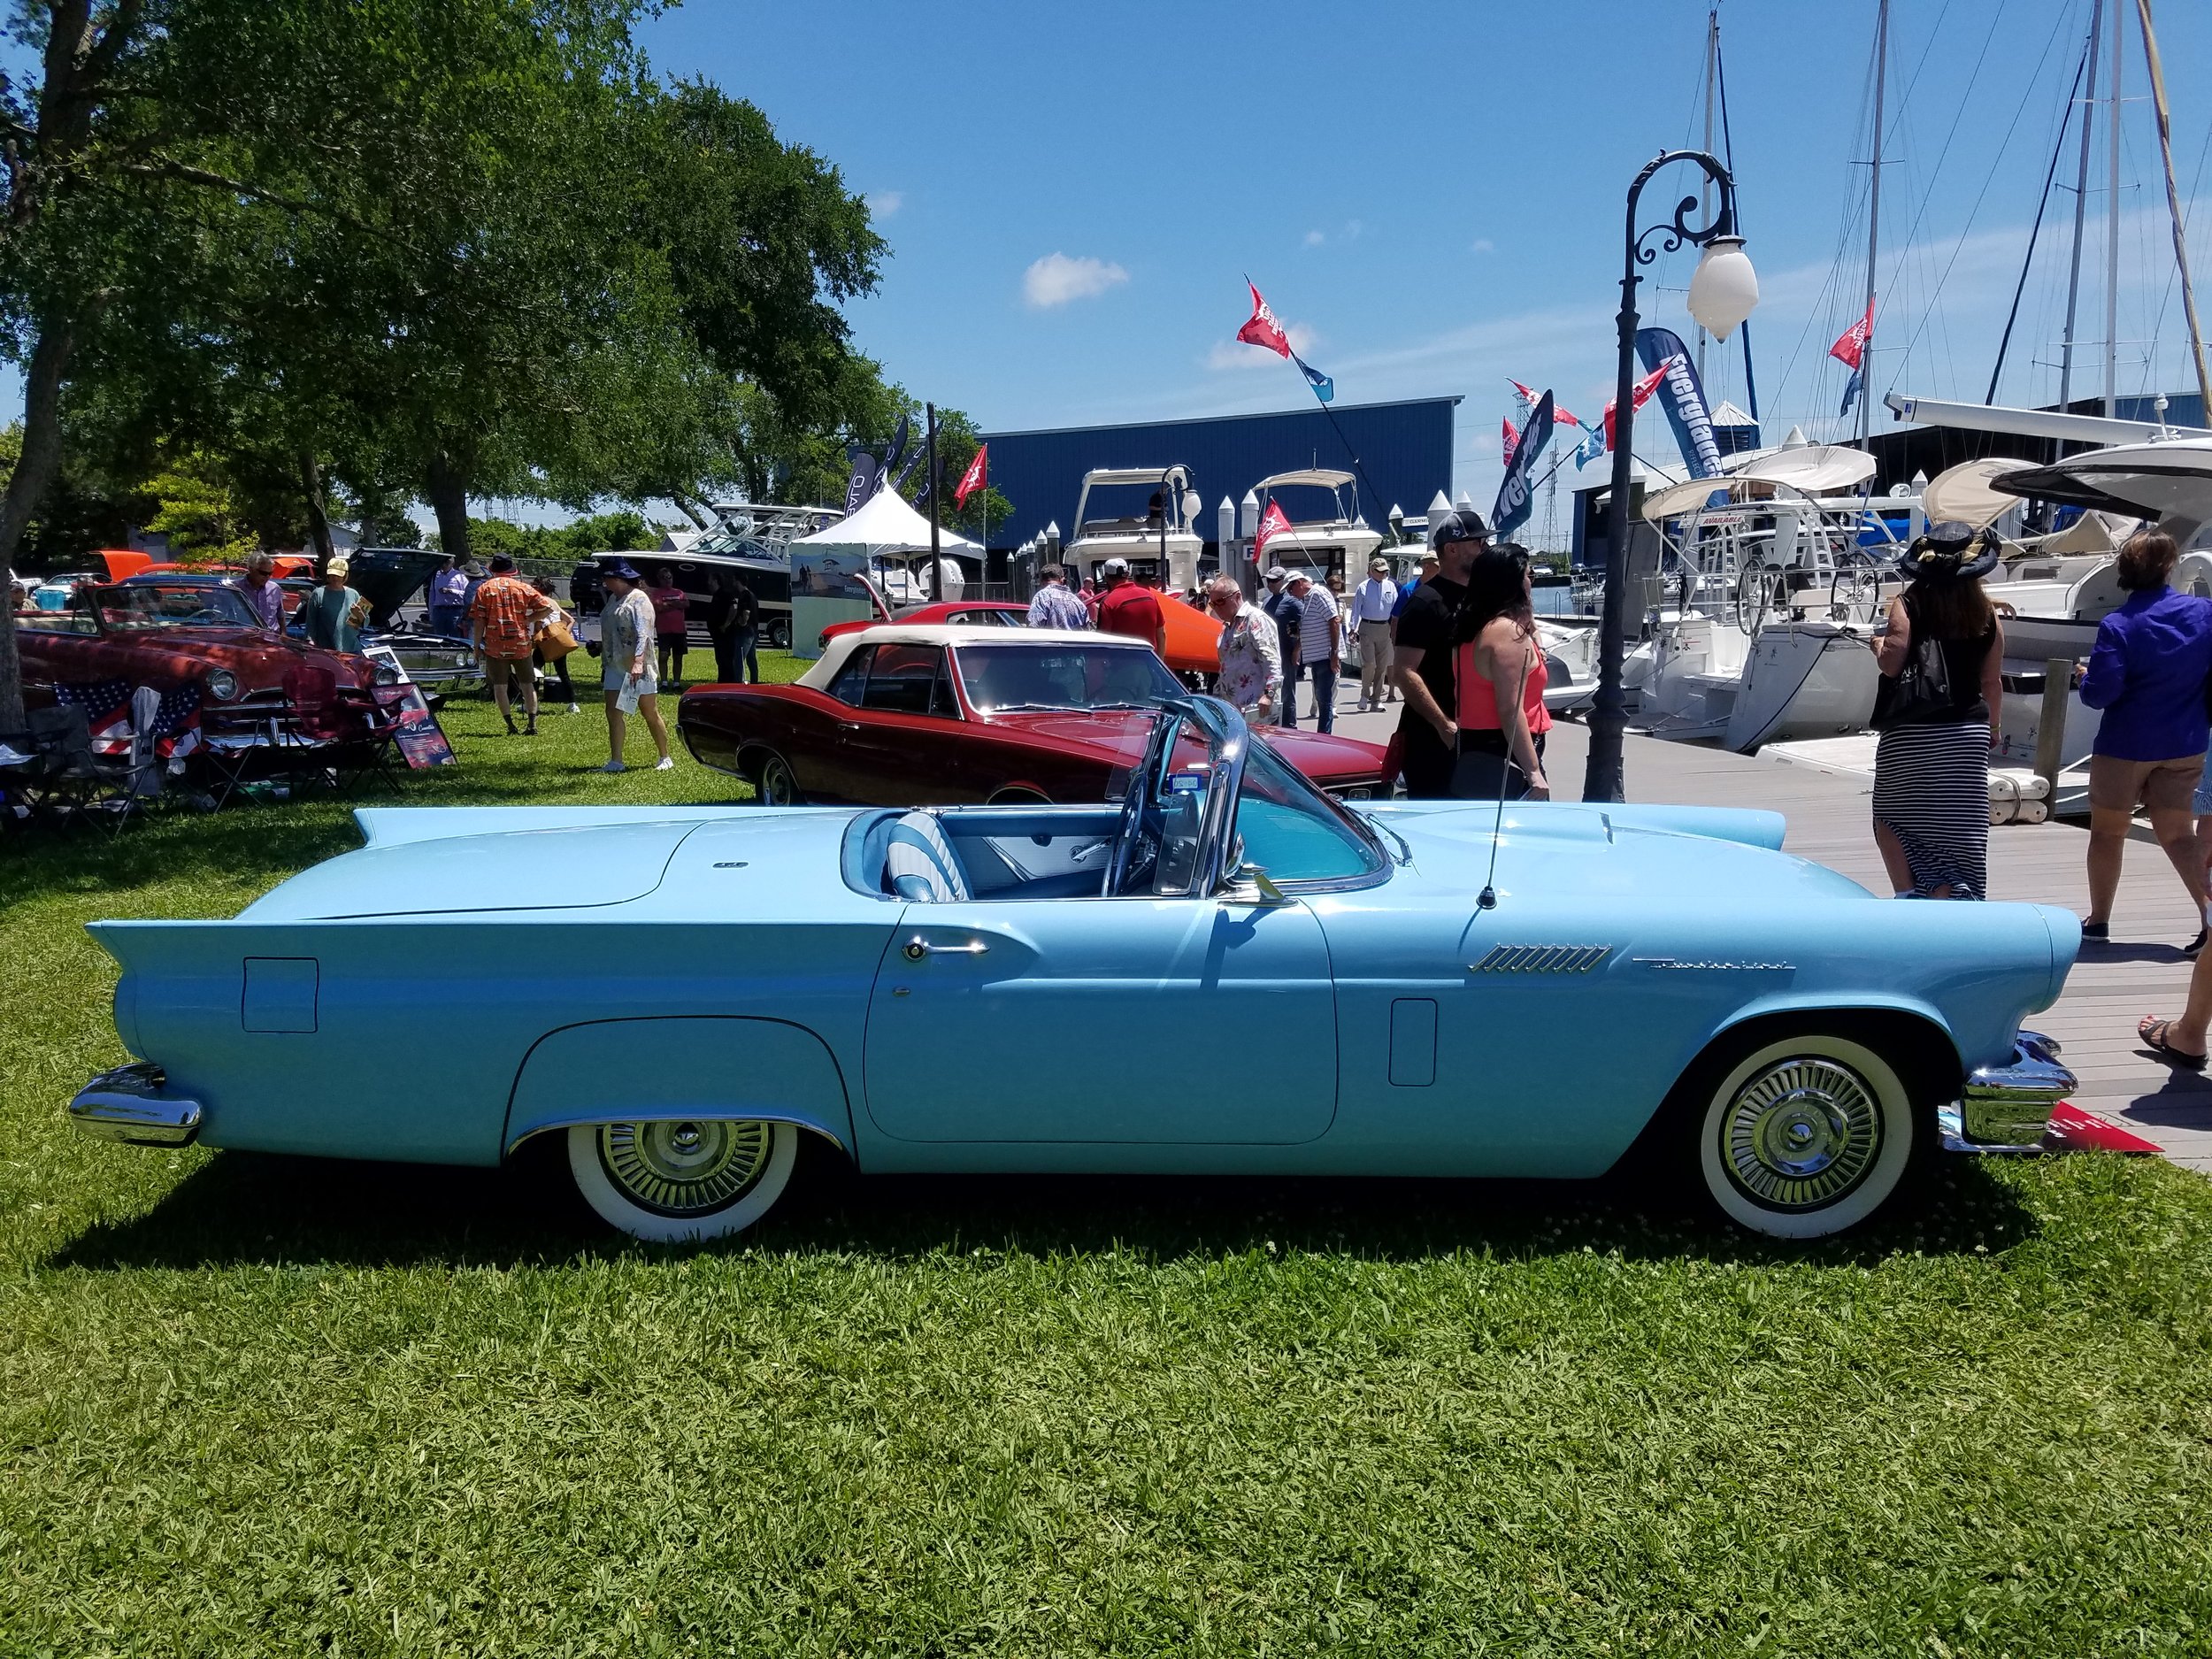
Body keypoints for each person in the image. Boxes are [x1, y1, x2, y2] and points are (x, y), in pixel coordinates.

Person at [2078, 528, 2212, 948]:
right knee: (2178, 836)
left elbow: (2102, 694)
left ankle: (2099, 921)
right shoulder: (2205, 613)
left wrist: (2085, 679)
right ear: (2170, 568)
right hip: (2186, 740)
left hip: (2127, 744)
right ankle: (2211, 923)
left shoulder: (2118, 625)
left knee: (2107, 832)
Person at [1869, 523, 2005, 900]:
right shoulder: (1987, 613)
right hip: (1967, 733)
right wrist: (1993, 728)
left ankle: (1908, 894)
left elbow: (1892, 663)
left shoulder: (1908, 603)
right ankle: (1952, 892)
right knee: (1956, 830)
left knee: (1893, 816)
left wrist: (1878, 643)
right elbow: (1992, 681)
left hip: (1914, 729)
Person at [1391, 511, 1487, 798]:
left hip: (1476, 735)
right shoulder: (1425, 602)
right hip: (1434, 740)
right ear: (1452, 548)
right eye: (1477, 541)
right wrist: (1443, 725)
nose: (1484, 547)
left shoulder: (1481, 597)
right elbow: (1404, 672)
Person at [1450, 545, 1551, 799]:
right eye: (1529, 575)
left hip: (1476, 749)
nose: (1531, 582)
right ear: (1513, 582)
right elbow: (1509, 708)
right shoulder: (1507, 633)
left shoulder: (1471, 630)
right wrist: (1533, 771)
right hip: (1507, 753)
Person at [598, 561, 672, 772]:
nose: (604, 581)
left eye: (607, 577)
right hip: (615, 664)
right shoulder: (613, 599)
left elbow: (644, 633)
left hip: (638, 665)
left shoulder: (640, 599)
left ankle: (664, 756)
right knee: (613, 712)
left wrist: (638, 663)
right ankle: (616, 761)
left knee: (648, 711)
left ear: (618, 579)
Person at [470, 553, 553, 735]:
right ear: (511, 570)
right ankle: (532, 724)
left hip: (494, 645)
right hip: (520, 643)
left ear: (492, 569)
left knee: (500, 686)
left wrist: (476, 647)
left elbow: (478, 621)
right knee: (527, 684)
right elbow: (548, 607)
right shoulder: (523, 588)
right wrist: (529, 619)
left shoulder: (484, 589)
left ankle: (510, 725)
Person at [1205, 574, 1280, 722]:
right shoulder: (1228, 626)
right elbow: (1225, 667)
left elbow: (1272, 660)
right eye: (1213, 604)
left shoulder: (1256, 619)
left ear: (1237, 596)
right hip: (1233, 709)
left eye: (1220, 601)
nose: (1217, 608)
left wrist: (1269, 694)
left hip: (1256, 709)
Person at [1284, 570, 1341, 733]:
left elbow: (1334, 620)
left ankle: (1324, 735)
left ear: (1298, 583)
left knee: (1324, 699)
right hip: (1318, 656)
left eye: (1290, 589)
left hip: (1325, 655)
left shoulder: (1318, 594)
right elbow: (1310, 628)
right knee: (1321, 697)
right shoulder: (1310, 598)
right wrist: (1297, 650)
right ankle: (1323, 734)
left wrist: (1334, 653)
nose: (1291, 593)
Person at [1349, 556, 1400, 712]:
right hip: (1367, 626)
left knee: (1382, 666)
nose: (1383, 574)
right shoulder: (1363, 587)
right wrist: (1352, 628)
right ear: (1372, 571)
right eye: (1379, 571)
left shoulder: (1390, 586)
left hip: (1384, 627)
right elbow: (1356, 609)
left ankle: (1376, 699)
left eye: (1385, 571)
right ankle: (1365, 695)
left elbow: (1396, 609)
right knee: (1369, 663)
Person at [1094, 557, 1166, 655]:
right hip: (1148, 662)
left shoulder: (1108, 602)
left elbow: (1102, 641)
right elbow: (1161, 634)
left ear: (1106, 577)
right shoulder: (1150, 596)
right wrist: (1159, 663)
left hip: (1122, 664)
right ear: (1128, 574)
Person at [1259, 566, 1303, 725]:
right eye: (1268, 580)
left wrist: (1297, 649)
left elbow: (1305, 624)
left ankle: (1290, 726)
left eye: (1274, 581)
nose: (1270, 584)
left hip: (1286, 652)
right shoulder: (1266, 601)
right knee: (1269, 691)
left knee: (1287, 692)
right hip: (1268, 654)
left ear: (1283, 581)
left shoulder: (1292, 601)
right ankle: (1273, 723)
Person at [531, 576, 580, 714]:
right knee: (563, 673)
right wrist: (564, 635)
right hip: (557, 642)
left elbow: (539, 624)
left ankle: (532, 703)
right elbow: (570, 620)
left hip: (545, 641)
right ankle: (573, 704)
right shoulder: (553, 602)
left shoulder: (541, 602)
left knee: (534, 670)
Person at [299, 556, 367, 654]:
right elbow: (311, 622)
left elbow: (360, 623)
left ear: (345, 576)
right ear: (328, 575)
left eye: (339, 575)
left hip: (352, 649)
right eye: (333, 575)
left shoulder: (354, 594)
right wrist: (310, 642)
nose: (335, 578)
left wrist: (360, 615)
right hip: (326, 650)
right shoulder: (318, 594)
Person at [706, 572, 758, 684]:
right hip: (753, 631)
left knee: (738, 660)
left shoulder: (744, 595)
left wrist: (740, 623)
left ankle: (737, 683)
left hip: (745, 632)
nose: (733, 583)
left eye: (734, 580)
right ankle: (754, 682)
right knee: (751, 659)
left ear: (738, 581)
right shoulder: (751, 594)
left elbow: (745, 612)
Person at [649, 565, 689, 688]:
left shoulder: (679, 592)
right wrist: (676, 604)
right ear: (660, 580)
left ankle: (677, 682)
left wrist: (669, 604)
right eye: (664, 578)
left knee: (678, 657)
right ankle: (664, 682)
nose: (668, 580)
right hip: (664, 631)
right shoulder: (656, 593)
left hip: (679, 630)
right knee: (663, 656)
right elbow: (659, 607)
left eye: (669, 578)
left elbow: (686, 604)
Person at [1027, 565, 1089, 630]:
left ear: (1041, 580)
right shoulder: (1078, 603)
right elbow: (1086, 631)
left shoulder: (1041, 597)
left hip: (1050, 639)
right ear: (1062, 579)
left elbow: (1033, 625)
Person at [238, 552, 284, 632]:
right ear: (251, 569)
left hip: (271, 638)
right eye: (263, 573)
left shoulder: (274, 589)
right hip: (245, 637)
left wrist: (283, 634)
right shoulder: (236, 589)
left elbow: (280, 615)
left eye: (270, 574)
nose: (267, 577)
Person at [426, 555, 468, 637]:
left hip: (454, 611)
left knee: (455, 637)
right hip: (439, 611)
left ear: (452, 564)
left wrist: (451, 591)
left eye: (447, 563)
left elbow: (466, 594)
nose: (444, 565)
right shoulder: (436, 576)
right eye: (443, 563)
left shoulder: (460, 576)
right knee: (439, 637)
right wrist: (431, 614)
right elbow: (432, 595)